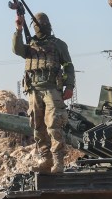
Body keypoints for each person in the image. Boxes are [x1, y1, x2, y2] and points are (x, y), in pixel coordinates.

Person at [12, 12, 75, 174]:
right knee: (37, 126)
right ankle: (46, 160)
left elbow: (68, 65)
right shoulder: (30, 44)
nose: (42, 28)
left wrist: (69, 86)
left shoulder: (58, 44)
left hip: (52, 90)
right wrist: (18, 29)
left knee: (54, 125)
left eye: (43, 25)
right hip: (34, 91)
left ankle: (58, 161)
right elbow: (16, 49)